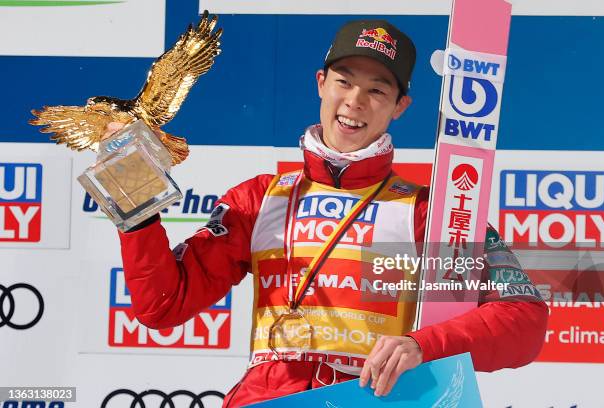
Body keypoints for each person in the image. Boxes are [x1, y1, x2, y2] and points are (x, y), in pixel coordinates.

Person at [115, 19, 548, 407]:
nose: (355, 101)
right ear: (321, 83)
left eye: (377, 89)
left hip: (375, 400)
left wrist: (422, 345)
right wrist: (133, 195)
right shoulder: (258, 199)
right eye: (344, 81)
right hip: (269, 398)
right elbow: (163, 305)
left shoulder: (428, 213)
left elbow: (523, 320)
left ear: (400, 106)